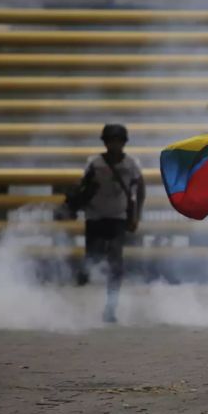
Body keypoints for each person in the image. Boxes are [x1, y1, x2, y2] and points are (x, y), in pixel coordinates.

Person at [78, 124, 145, 323]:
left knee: (116, 263)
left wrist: (135, 217)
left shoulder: (131, 164)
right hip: (95, 217)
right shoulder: (95, 163)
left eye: (118, 140)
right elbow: (82, 188)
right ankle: (84, 281)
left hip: (117, 218)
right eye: (110, 140)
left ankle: (111, 307)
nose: (114, 145)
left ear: (124, 143)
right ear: (105, 142)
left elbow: (140, 190)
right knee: (93, 259)